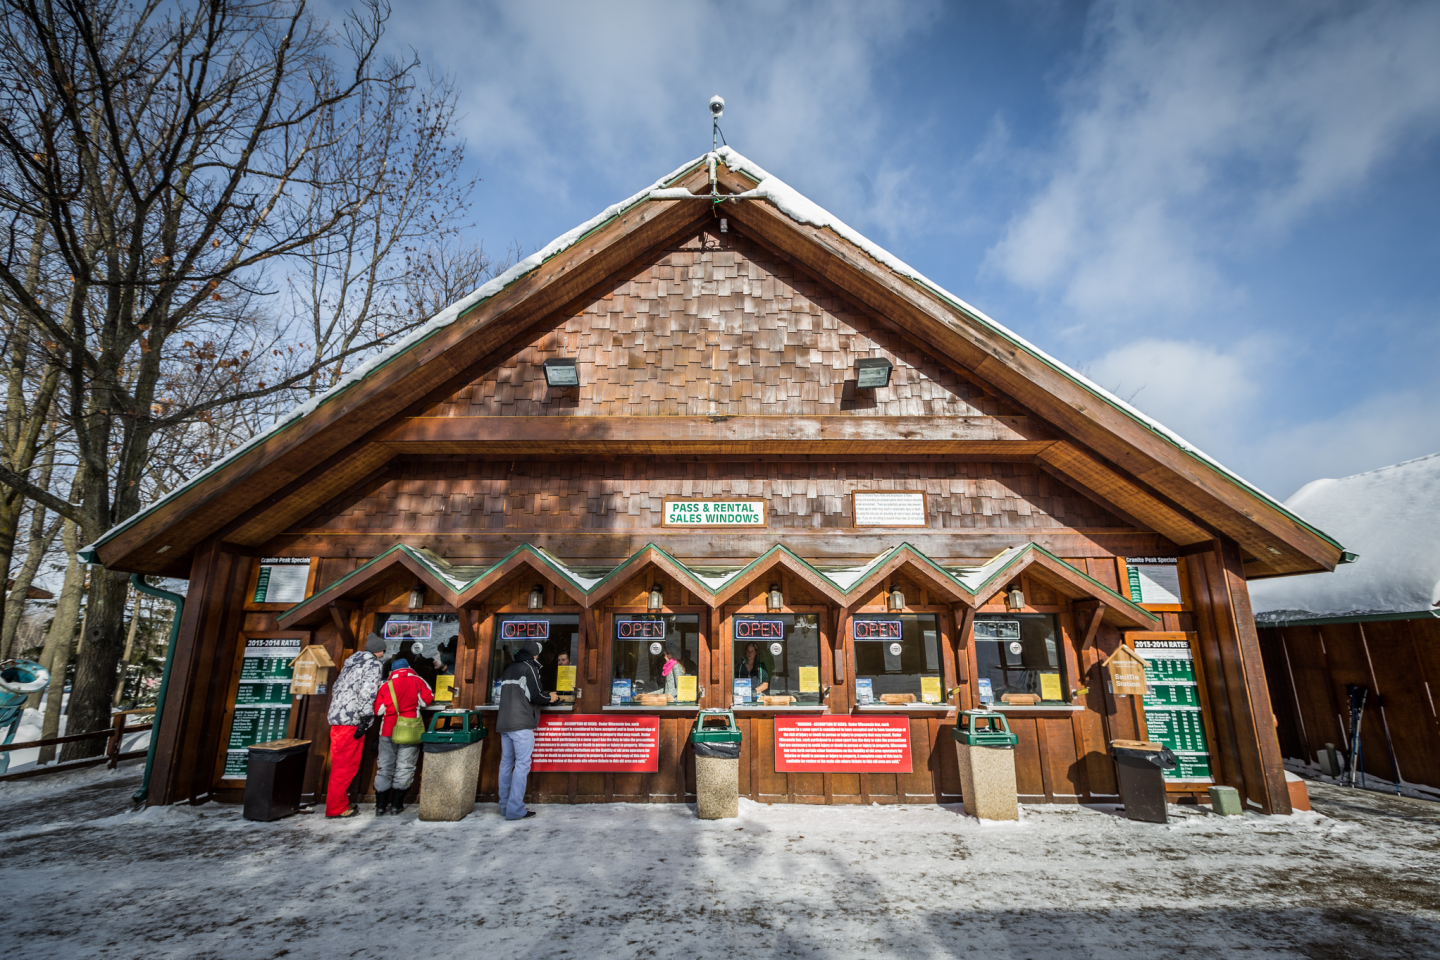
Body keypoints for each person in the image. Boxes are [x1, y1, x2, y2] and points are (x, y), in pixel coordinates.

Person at [324, 634, 386, 818]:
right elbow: (368, 692)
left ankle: (339, 802)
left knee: (338, 764)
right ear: (379, 650)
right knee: (346, 766)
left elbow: (336, 689)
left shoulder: (350, 664)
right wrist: (366, 717)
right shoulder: (373, 664)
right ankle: (336, 807)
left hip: (337, 720)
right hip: (352, 722)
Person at [496, 640, 558, 820]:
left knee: (506, 763)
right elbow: (536, 695)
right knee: (522, 764)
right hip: (521, 723)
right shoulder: (528, 667)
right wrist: (551, 697)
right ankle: (515, 809)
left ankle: (504, 806)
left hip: (504, 723)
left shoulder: (509, 669)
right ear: (535, 655)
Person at [371, 655, 434, 815]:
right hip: (410, 729)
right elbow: (427, 700)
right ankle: (396, 805)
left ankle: (380, 806)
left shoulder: (386, 685)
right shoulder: (417, 681)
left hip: (387, 730)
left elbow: (378, 710)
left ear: (393, 670)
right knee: (405, 766)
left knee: (384, 767)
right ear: (409, 668)